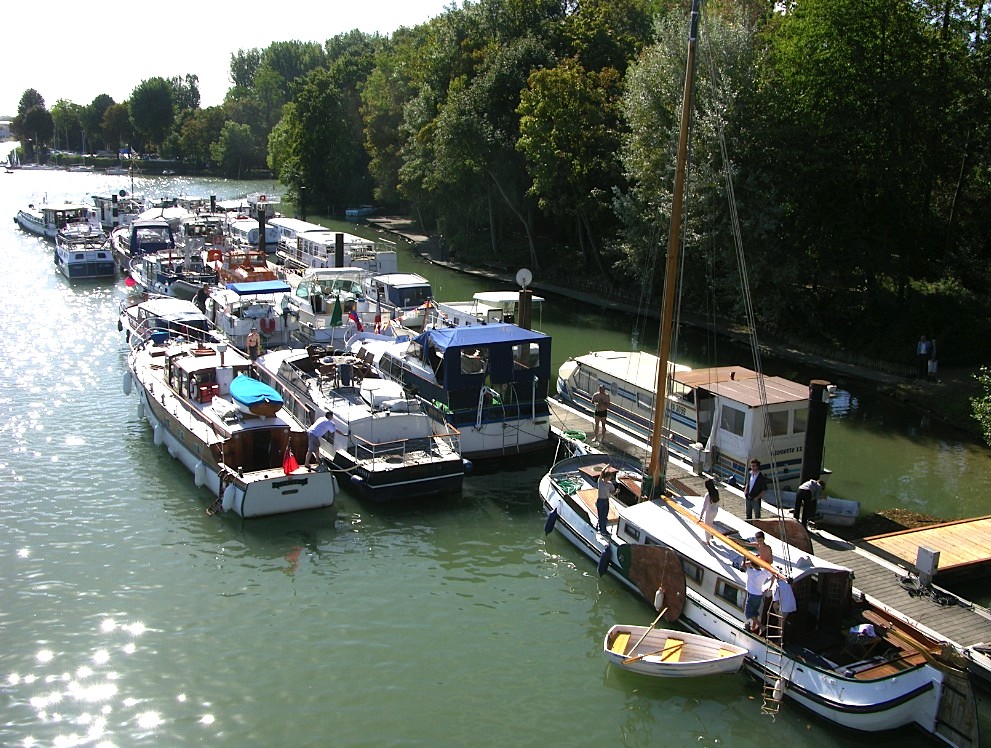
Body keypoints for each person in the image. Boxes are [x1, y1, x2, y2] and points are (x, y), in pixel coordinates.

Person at [743, 557, 771, 634]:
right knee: (755, 612)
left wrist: (745, 556)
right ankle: (753, 628)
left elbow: (743, 565)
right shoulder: (764, 572)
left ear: (751, 564)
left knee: (748, 613)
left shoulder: (750, 571)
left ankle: (761, 626)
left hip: (752, 595)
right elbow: (773, 575)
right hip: (759, 595)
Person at [595, 467, 616, 535]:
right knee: (601, 516)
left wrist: (616, 492)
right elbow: (602, 471)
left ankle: (602, 529)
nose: (610, 478)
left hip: (606, 501)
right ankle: (602, 530)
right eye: (610, 477)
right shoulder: (600, 481)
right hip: (600, 501)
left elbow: (612, 492)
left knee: (605, 516)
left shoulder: (610, 484)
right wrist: (606, 466)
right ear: (606, 477)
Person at [699, 478, 720, 543]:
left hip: (709, 512)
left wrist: (701, 516)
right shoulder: (716, 491)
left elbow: (704, 507)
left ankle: (707, 541)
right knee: (711, 523)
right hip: (715, 511)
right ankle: (711, 535)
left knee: (707, 526)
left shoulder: (707, 495)